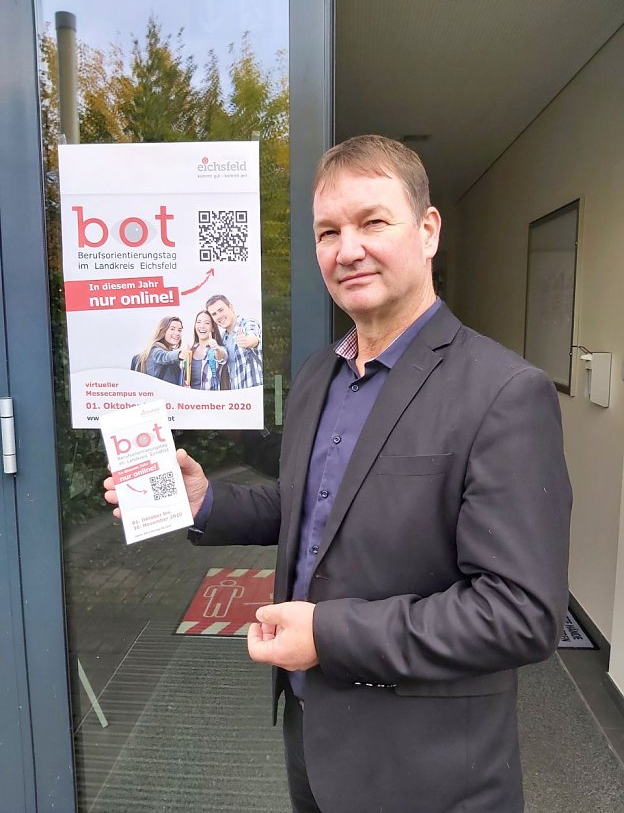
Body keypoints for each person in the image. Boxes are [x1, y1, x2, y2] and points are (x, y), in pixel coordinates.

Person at [105, 135, 571, 813]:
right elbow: (312, 509)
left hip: (430, 774)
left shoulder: (504, 392)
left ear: (428, 230)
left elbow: (520, 615)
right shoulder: (319, 375)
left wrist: (326, 634)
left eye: (372, 221)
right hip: (313, 744)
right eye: (328, 231)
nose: (346, 248)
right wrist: (206, 503)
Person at [205, 294, 263, 388]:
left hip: (253, 391)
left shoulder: (247, 323)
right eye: (214, 314)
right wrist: (216, 349)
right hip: (236, 395)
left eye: (221, 310)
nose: (219, 316)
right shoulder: (224, 337)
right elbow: (223, 357)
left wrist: (247, 341)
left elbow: (253, 337)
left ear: (231, 307)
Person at [134, 316, 189, 384]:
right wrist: (179, 354)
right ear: (163, 331)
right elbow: (163, 356)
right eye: (172, 329)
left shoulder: (169, 352)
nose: (177, 333)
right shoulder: (154, 350)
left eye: (179, 330)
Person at [185, 309, 229, 390]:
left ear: (212, 328)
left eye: (207, 323)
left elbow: (222, 357)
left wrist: (217, 348)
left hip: (211, 401)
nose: (202, 326)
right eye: (198, 322)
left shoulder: (216, 349)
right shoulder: (190, 350)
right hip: (190, 400)